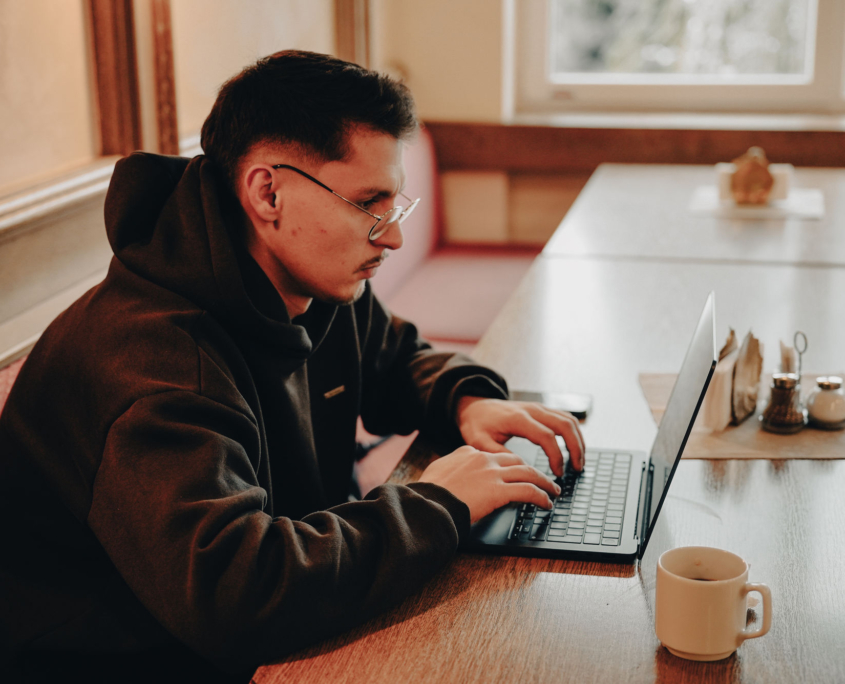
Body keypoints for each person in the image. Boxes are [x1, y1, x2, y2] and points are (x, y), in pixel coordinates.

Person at [0, 51, 584, 683]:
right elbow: (236, 595)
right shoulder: (153, 362)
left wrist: (466, 400)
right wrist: (437, 503)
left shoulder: (309, 279)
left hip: (267, 626)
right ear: (268, 191)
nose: (392, 237)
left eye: (396, 204)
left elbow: (392, 361)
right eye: (369, 204)